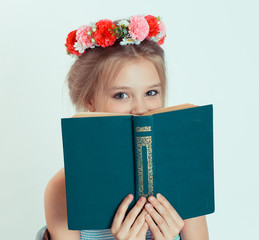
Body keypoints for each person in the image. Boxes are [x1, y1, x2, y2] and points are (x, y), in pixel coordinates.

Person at [43, 15, 209, 240]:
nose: (140, 109)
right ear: (90, 100)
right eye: (121, 95)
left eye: (151, 92)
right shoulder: (63, 190)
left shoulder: (183, 172)